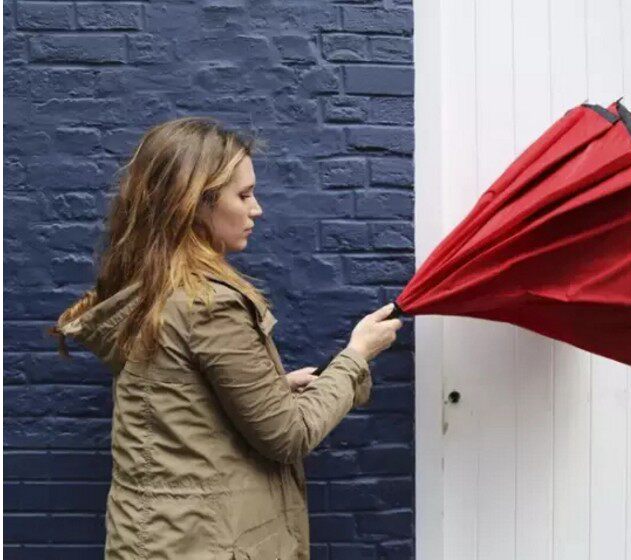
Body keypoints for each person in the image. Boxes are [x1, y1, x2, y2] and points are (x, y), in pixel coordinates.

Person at [49, 117, 403, 559]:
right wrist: (357, 355)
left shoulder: (152, 288)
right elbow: (289, 436)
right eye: (244, 195)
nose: (257, 209)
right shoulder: (207, 304)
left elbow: (178, 399)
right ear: (196, 202)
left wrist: (271, 389)